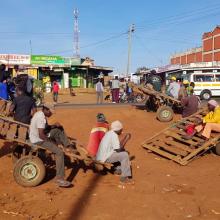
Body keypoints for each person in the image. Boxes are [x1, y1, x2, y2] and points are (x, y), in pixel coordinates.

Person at [29, 104, 73, 187]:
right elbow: (41, 135)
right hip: (38, 140)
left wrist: (54, 125)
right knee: (59, 153)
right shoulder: (41, 118)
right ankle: (59, 178)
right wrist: (55, 144)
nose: (51, 114)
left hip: (39, 136)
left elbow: (44, 128)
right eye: (50, 112)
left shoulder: (40, 114)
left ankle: (67, 145)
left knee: (58, 129)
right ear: (46, 109)